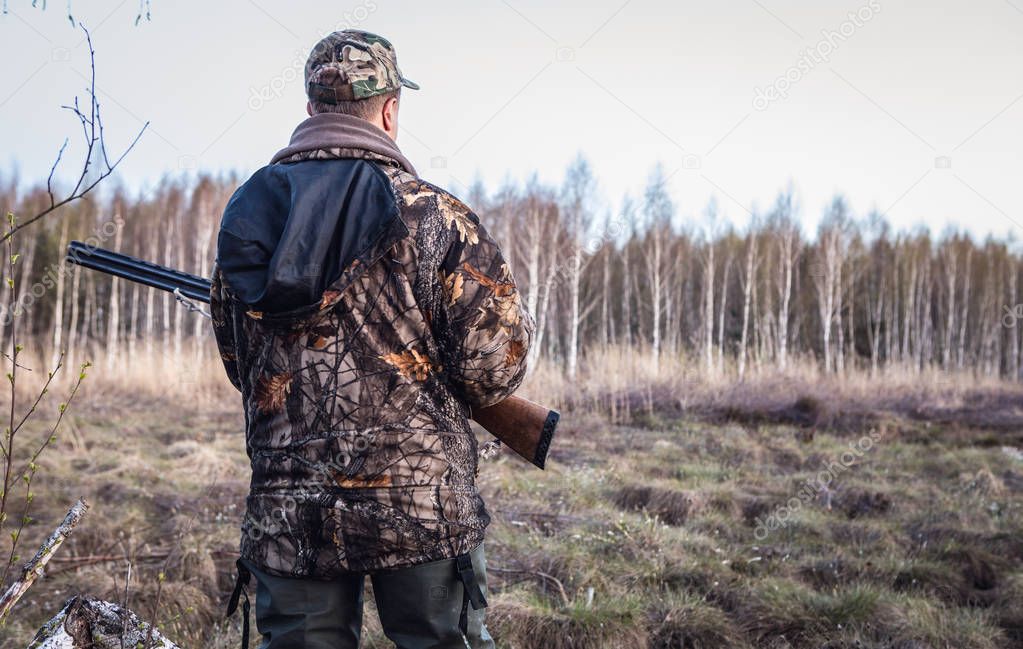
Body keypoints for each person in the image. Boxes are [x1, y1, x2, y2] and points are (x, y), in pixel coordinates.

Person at [210, 29, 533, 649]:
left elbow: (240, 362)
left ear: (311, 110)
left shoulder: (248, 214)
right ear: (389, 111)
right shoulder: (434, 216)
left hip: (289, 508)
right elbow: (495, 371)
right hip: (421, 511)